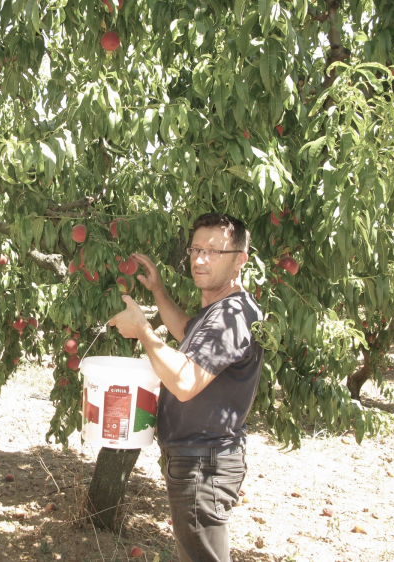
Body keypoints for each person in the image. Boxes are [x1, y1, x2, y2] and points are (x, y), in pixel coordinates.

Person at [109, 213, 264, 562]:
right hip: (199, 458)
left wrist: (144, 333)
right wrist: (158, 291)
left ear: (240, 260)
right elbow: (185, 332)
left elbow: (184, 381)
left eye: (214, 251)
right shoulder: (222, 310)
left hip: (203, 463)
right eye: (195, 249)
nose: (200, 258)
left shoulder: (230, 317)